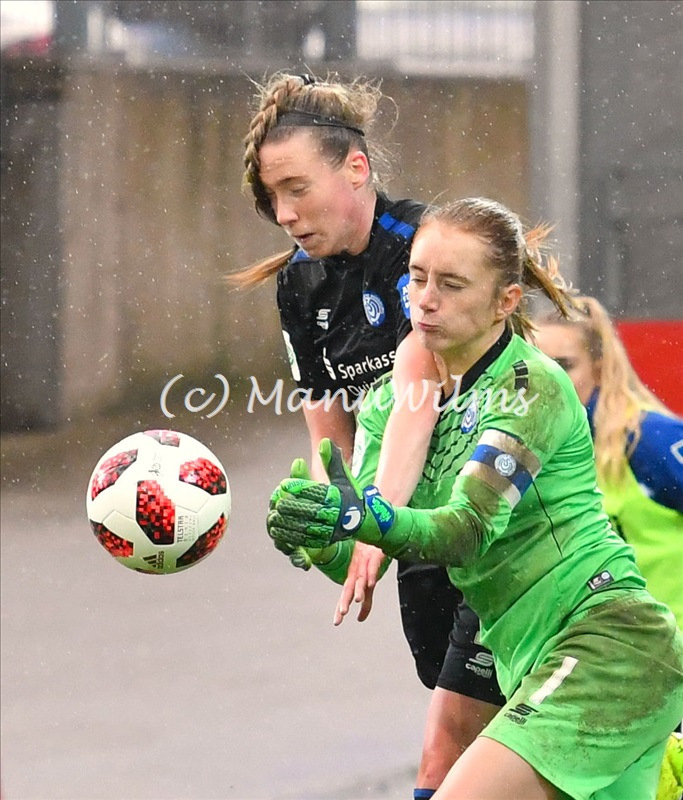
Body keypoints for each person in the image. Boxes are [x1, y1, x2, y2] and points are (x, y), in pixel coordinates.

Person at [267, 197, 683, 799]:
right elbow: (363, 549)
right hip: (531, 656)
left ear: (505, 302)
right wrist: (318, 534)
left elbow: (465, 531)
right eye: (416, 278)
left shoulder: (530, 388)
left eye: (452, 284)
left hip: (606, 644)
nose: (425, 300)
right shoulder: (390, 404)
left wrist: (364, 517)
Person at [230, 72, 506, 795]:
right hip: (414, 530)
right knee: (471, 719)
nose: (285, 214)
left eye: (296, 189)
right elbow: (328, 421)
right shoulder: (299, 285)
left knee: (455, 742)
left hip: (493, 520)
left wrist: (370, 522)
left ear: (355, 167)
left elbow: (417, 396)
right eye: (272, 199)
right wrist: (330, 510)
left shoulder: (424, 247)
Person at [533, 296, 683, 628]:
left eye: (564, 365)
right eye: (537, 366)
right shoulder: (533, 454)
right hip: (604, 649)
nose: (549, 380)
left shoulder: (648, 438)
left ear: (598, 370)